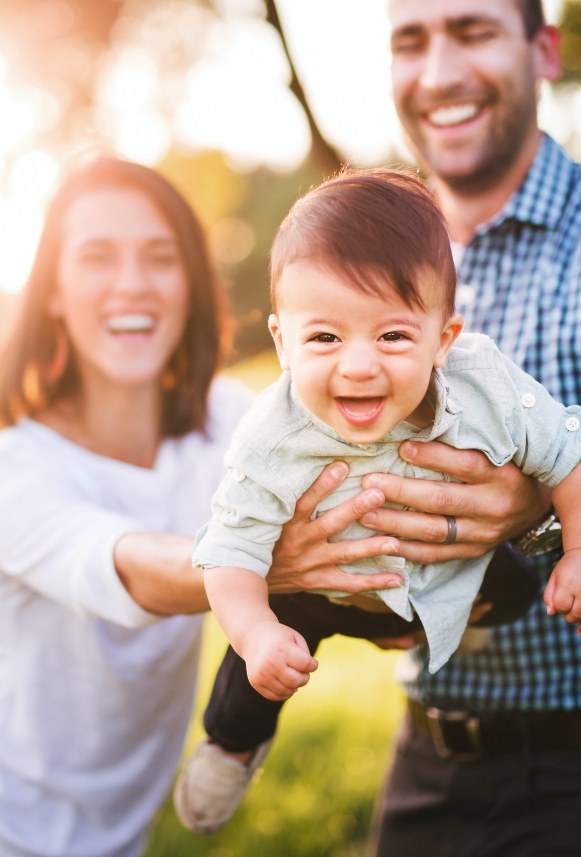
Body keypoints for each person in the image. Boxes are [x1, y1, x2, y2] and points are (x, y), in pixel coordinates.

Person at [0, 156, 403, 857]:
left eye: (160, 257)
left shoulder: (230, 423)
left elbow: (341, 502)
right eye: (97, 257)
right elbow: (129, 567)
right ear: (55, 292)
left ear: (188, 281)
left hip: (114, 837)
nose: (132, 284)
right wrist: (264, 559)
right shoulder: (15, 458)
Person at [173, 166, 581, 836]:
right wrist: (255, 635)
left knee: (512, 591)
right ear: (281, 341)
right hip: (330, 589)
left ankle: (449, 619)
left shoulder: (483, 382)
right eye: (324, 337)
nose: (357, 365)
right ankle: (231, 744)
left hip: (458, 575)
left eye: (391, 335)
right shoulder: (270, 431)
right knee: (265, 635)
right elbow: (229, 549)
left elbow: (566, 447)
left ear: (443, 338)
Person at [356, 2, 581, 855]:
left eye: (473, 31)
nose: (439, 72)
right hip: (425, 762)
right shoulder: (373, 261)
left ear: (544, 50)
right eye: (410, 42)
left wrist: (542, 501)